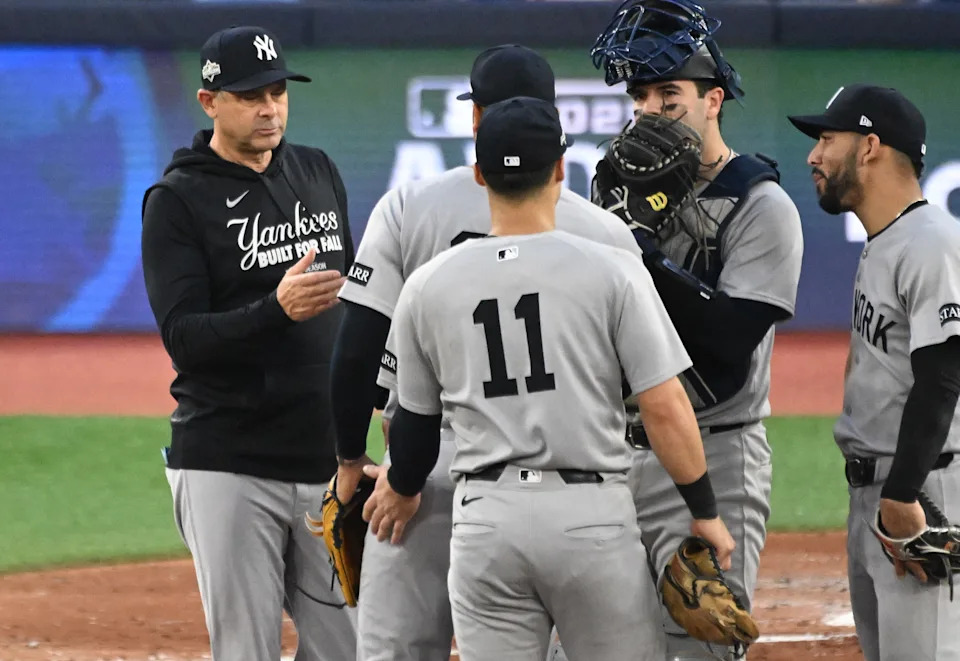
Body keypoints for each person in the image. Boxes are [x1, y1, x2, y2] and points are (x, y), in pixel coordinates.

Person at [328, 44, 676, 661]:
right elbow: (645, 385)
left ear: (475, 120)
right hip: (572, 479)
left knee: (396, 652)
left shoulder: (409, 206)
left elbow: (355, 351)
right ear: (556, 138)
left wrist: (355, 460)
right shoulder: (603, 233)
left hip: (421, 474)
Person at [589, 1, 804, 659]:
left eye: (668, 91)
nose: (651, 107)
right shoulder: (615, 193)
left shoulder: (761, 205)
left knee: (697, 647)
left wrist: (643, 254)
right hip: (611, 459)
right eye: (640, 94)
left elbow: (730, 342)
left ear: (714, 99)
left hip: (716, 456)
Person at [140, 25, 358, 661]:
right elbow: (183, 337)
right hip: (228, 461)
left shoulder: (316, 169)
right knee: (246, 650)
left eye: (277, 92)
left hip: (322, 459)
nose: (270, 108)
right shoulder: (177, 200)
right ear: (209, 103)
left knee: (351, 648)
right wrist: (275, 311)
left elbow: (350, 303)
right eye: (249, 96)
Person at [789, 84, 960, 661]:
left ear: (870, 147)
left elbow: (943, 373)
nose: (813, 156)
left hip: (921, 491)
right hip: (880, 492)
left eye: (826, 139)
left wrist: (904, 492)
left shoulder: (932, 243)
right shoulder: (888, 241)